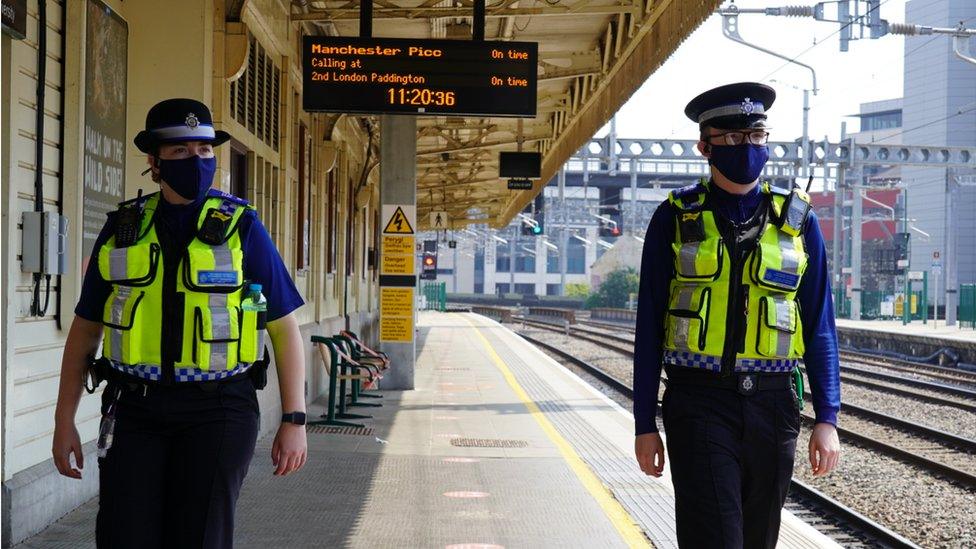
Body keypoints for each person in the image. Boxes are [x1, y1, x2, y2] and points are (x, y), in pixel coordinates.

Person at [52, 98, 309, 548]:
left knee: (201, 536)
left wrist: (295, 419)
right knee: (122, 534)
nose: (196, 161)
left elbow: (283, 327)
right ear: (154, 161)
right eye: (180, 152)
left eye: (204, 150)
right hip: (134, 408)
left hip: (220, 408)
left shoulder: (242, 226)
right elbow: (85, 329)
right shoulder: (122, 228)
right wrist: (63, 420)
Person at [632, 82, 842, 548]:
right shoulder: (674, 217)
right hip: (699, 402)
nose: (746, 148)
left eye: (756, 137)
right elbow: (649, 327)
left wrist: (827, 416)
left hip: (774, 405)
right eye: (731, 139)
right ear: (705, 145)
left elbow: (819, 324)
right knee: (716, 539)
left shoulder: (799, 221)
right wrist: (644, 423)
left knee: (758, 539)